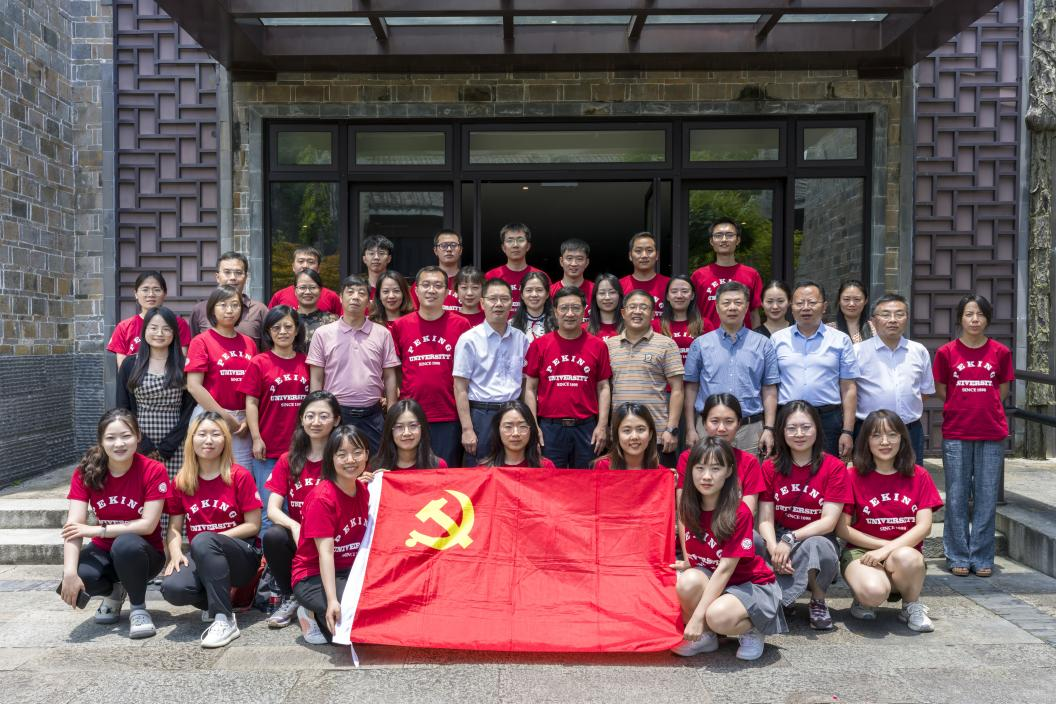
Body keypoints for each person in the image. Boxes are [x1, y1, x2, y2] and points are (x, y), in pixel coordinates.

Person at [671, 437, 786, 660]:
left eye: (715, 469)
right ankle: (706, 637)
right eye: (700, 468)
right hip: (717, 580)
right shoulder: (688, 507)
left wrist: (696, 618)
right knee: (687, 581)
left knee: (717, 616)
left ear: (729, 471)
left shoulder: (739, 512)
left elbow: (725, 569)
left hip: (750, 585)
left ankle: (753, 628)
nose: (706, 476)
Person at [59, 409, 169, 640]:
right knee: (82, 574)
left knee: (125, 544)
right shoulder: (85, 472)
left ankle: (138, 609)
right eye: (111, 438)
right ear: (101, 441)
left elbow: (148, 525)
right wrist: (69, 573)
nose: (119, 444)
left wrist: (98, 530)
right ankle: (114, 593)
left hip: (144, 554)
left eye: (126, 436)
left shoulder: (153, 470)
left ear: (138, 436)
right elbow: (73, 526)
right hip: (105, 551)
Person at [161, 412, 263, 648]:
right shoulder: (182, 481)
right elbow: (174, 527)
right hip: (202, 553)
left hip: (241, 557)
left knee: (204, 541)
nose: (208, 440)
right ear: (191, 439)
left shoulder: (239, 476)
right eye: (202, 434)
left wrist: (213, 539)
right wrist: (175, 553)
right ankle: (215, 603)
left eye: (216, 434)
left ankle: (224, 619)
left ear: (225, 440)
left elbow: (253, 525)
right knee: (173, 588)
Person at [838, 410, 943, 632]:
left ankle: (911, 606)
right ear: (866, 441)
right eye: (876, 435)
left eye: (892, 435)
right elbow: (842, 529)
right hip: (862, 552)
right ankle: (863, 599)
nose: (885, 442)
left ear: (902, 439)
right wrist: (883, 547)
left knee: (906, 556)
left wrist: (888, 551)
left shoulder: (919, 475)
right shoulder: (852, 475)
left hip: (905, 555)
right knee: (874, 592)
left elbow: (924, 527)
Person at [933, 293, 1013, 578]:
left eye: (980, 314)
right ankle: (957, 554)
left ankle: (981, 556)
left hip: (991, 431)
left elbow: (1002, 390)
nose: (974, 319)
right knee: (956, 495)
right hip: (957, 431)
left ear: (987, 319)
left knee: (986, 496)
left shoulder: (1000, 352)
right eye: (969, 314)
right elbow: (942, 390)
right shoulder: (946, 352)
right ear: (960, 319)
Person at [757, 401, 850, 631]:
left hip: (816, 536)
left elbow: (829, 521)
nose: (799, 434)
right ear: (782, 431)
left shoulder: (834, 467)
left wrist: (791, 539)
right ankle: (783, 596)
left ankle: (818, 600)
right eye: (792, 428)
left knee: (817, 546)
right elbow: (765, 520)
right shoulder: (770, 467)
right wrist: (774, 548)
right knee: (753, 540)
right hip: (779, 535)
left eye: (806, 427)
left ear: (817, 428)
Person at [261, 391, 341, 629]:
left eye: (324, 416)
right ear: (302, 420)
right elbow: (272, 509)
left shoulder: (342, 458)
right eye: (310, 416)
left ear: (336, 420)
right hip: (301, 539)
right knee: (273, 535)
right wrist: (295, 526)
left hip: (334, 538)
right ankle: (291, 595)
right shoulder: (288, 460)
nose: (316, 422)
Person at [291, 425, 372, 645]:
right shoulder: (322, 498)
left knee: (375, 606)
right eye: (342, 454)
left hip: (350, 571)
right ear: (331, 458)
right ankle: (309, 612)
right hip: (313, 576)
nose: (350, 460)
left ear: (366, 454)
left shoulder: (365, 490)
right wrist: (332, 600)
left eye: (357, 452)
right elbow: (325, 553)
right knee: (349, 623)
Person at [684, 281, 779, 456]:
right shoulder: (700, 344)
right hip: (708, 428)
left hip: (750, 429)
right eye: (726, 303)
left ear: (747, 307)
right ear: (717, 307)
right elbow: (691, 388)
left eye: (738, 302)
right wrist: (690, 428)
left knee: (749, 473)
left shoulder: (763, 344)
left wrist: (769, 428)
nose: (732, 307)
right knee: (708, 471)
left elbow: (769, 388)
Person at [390, 266, 472, 466]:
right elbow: (396, 370)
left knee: (446, 474)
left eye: (437, 285)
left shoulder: (461, 325)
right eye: (425, 285)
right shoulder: (400, 326)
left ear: (447, 291)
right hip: (410, 416)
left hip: (448, 414)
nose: (431, 290)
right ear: (416, 290)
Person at [307, 274, 399, 453]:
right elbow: (316, 379)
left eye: (361, 293)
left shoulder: (382, 334)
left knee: (377, 463)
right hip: (336, 414)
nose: (355, 297)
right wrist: (317, 412)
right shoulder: (323, 334)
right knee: (337, 461)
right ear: (341, 298)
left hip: (373, 415)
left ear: (369, 302)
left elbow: (389, 376)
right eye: (350, 292)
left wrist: (392, 414)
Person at [525, 286, 612, 469]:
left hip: (587, 427)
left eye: (575, 308)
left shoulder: (598, 346)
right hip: (549, 428)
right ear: (555, 311)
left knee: (587, 479)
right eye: (564, 308)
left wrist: (602, 425)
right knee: (550, 479)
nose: (570, 313)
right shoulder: (540, 345)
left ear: (584, 311)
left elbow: (603, 387)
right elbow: (530, 388)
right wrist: (534, 427)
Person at [771, 280, 860, 458]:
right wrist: (770, 427)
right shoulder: (777, 339)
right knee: (786, 469)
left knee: (827, 469)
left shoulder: (840, 340)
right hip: (788, 417)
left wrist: (847, 431)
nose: (806, 308)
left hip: (827, 419)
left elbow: (849, 388)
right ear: (791, 307)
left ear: (824, 306)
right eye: (799, 303)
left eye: (812, 302)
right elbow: (770, 387)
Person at [243, 305, 309, 531]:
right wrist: (256, 438)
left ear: (297, 330)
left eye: (288, 326)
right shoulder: (259, 362)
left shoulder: (306, 362)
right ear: (268, 332)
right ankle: (267, 553)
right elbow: (251, 403)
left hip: (302, 448)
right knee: (269, 510)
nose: (282, 332)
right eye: (276, 327)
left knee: (299, 508)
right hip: (268, 449)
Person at [452, 278, 530, 466]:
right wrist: (467, 429)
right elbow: (460, 388)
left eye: (504, 299)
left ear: (512, 303)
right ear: (482, 303)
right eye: (493, 299)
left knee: (513, 468)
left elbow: (526, 382)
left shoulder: (521, 338)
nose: (499, 304)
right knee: (480, 469)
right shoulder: (469, 339)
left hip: (514, 413)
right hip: (482, 414)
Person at [116, 307, 195, 483]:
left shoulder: (184, 365)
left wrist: (169, 445)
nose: (159, 333)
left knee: (174, 490)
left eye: (166, 329)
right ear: (145, 330)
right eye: (153, 328)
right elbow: (123, 408)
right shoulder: (130, 364)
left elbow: (189, 410)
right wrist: (142, 442)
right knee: (142, 488)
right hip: (138, 440)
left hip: (177, 443)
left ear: (174, 333)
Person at [605, 290, 684, 466]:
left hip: (658, 434)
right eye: (632, 307)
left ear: (653, 314)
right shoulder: (609, 345)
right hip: (621, 435)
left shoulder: (666, 344)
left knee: (660, 481)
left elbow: (678, 390)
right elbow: (604, 389)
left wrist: (672, 429)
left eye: (644, 307)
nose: (637, 311)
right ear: (623, 313)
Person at [854, 293, 935, 464]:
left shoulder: (918, 350)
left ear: (907, 318)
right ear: (873, 321)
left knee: (910, 475)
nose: (893, 320)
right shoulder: (858, 351)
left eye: (899, 314)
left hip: (909, 430)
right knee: (867, 477)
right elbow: (849, 392)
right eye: (885, 314)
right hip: (869, 430)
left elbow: (925, 392)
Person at [185, 285, 259, 468]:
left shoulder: (249, 343)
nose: (229, 310)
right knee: (205, 473)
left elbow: (255, 387)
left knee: (241, 474)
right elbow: (193, 386)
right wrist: (225, 417)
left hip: (242, 423)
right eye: (223, 305)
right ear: (212, 309)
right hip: (209, 416)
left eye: (235, 305)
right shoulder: (201, 341)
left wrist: (248, 421)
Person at [675, 394, 767, 514]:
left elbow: (748, 512)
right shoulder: (687, 458)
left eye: (729, 421)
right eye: (715, 421)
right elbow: (683, 510)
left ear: (739, 424)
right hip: (695, 524)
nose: (721, 428)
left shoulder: (749, 462)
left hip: (736, 525)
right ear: (704, 423)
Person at [108, 271, 192, 368]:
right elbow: (123, 368)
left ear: (165, 294)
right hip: (134, 377)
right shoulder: (123, 327)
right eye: (145, 289)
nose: (151, 294)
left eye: (157, 290)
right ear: (136, 294)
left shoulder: (178, 323)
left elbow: (181, 362)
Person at [690, 218, 763, 330]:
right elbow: (692, 313)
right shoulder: (698, 276)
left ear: (738, 240)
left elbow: (754, 314)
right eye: (718, 235)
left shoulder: (751, 275)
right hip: (707, 338)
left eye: (729, 235)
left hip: (744, 338)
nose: (724, 239)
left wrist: (756, 338)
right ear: (711, 241)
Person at [189, 251, 269, 346]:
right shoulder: (200, 310)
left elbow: (267, 350)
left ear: (246, 277)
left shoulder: (259, 310)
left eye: (238, 273)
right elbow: (195, 346)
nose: (233, 277)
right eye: (227, 272)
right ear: (217, 277)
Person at [369, 399, 448, 471]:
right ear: (390, 431)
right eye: (399, 426)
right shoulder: (376, 466)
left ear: (422, 428)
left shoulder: (438, 466)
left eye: (413, 425)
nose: (406, 433)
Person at [267, 246, 343, 316]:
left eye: (311, 262)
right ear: (293, 267)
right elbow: (270, 322)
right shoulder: (279, 296)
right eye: (301, 261)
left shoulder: (332, 297)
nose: (305, 266)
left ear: (318, 268)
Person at [477, 401, 556, 469]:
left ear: (531, 430)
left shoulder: (545, 467)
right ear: (498, 430)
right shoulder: (485, 469)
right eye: (508, 427)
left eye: (522, 426)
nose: (516, 433)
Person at [655, 274, 712, 366]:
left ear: (692, 295)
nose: (679, 296)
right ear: (667, 296)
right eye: (674, 291)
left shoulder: (705, 324)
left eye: (685, 291)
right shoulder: (655, 325)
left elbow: (711, 358)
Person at [486, 222, 541, 314]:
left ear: (528, 246)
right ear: (503, 247)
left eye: (520, 240)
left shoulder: (540, 276)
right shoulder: (491, 276)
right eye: (510, 240)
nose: (515, 245)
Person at [593, 403, 667, 470]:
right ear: (617, 435)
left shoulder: (661, 472)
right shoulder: (603, 466)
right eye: (627, 430)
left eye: (640, 429)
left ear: (650, 434)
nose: (634, 437)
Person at [411, 229, 463, 312]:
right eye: (443, 245)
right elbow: (414, 312)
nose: (449, 249)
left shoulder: (468, 281)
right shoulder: (423, 281)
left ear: (460, 250)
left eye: (453, 245)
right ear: (435, 250)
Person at [620, 231, 669, 320]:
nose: (644, 255)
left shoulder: (670, 286)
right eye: (638, 251)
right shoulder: (619, 286)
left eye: (649, 251)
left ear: (657, 255)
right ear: (630, 255)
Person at [293, 269, 338, 347]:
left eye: (313, 287)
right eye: (302, 287)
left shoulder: (332, 321)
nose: (307, 292)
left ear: (320, 291)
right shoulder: (289, 319)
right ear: (295, 291)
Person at [511, 271, 557, 343]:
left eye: (539, 290)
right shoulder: (511, 324)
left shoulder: (557, 323)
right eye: (529, 290)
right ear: (522, 295)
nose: (534, 294)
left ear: (547, 294)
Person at [550, 238, 594, 309]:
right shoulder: (550, 292)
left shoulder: (596, 291)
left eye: (579, 259)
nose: (574, 264)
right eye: (569, 258)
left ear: (587, 262)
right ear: (561, 261)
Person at [829, 279, 874, 344]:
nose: (852, 304)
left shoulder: (875, 328)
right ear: (839, 301)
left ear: (865, 301)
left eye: (857, 299)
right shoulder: (828, 330)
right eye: (846, 299)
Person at [586, 273, 624, 339]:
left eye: (612, 292)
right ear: (595, 297)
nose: (607, 297)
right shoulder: (583, 330)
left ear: (619, 295)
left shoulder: (630, 328)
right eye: (602, 293)